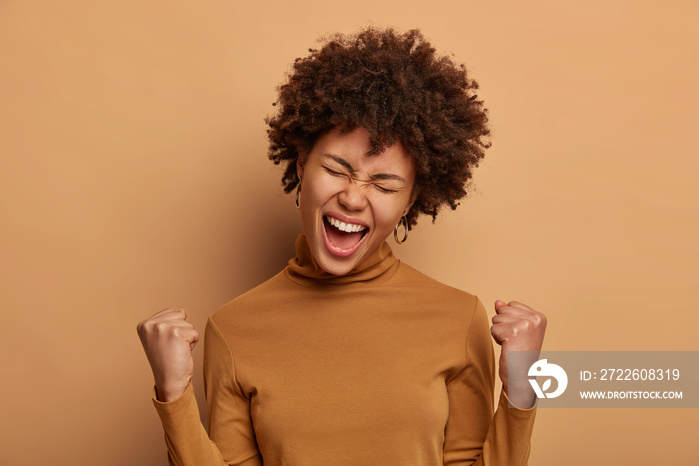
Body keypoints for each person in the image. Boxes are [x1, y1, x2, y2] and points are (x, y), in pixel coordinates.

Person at [137, 26, 546, 465]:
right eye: (336, 168)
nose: (353, 197)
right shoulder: (233, 330)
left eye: (384, 185)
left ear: (410, 202)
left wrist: (521, 387)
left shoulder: (458, 319)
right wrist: (173, 396)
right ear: (301, 165)